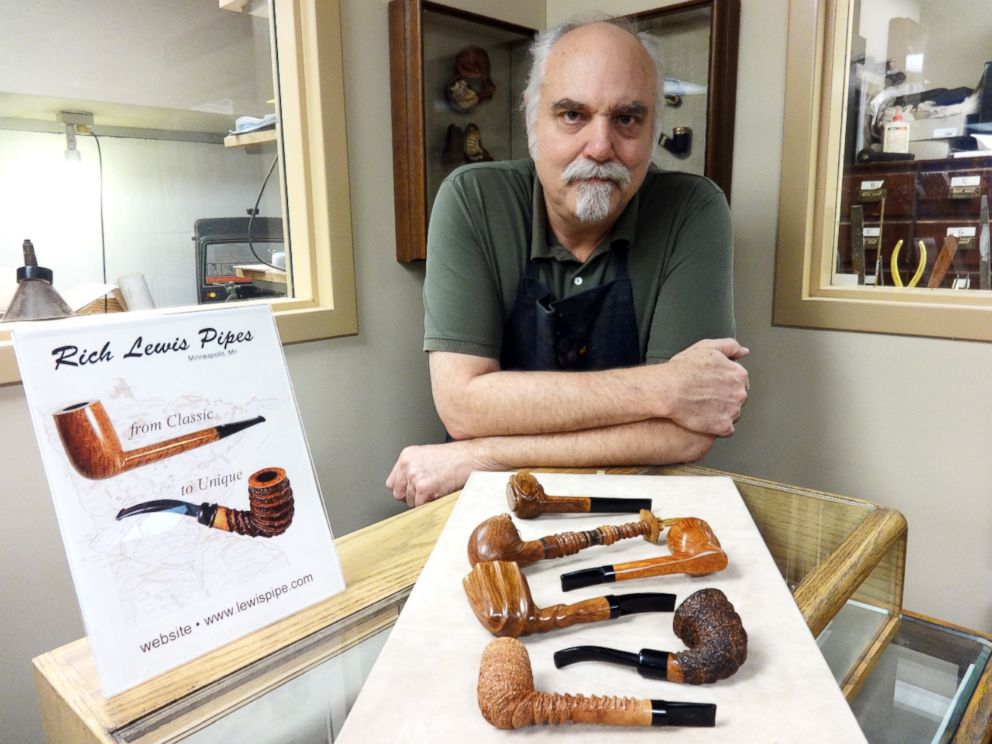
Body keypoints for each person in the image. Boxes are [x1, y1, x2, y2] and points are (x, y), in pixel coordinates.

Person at [387, 17, 749, 507]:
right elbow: (462, 408)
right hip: (488, 502)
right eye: (573, 115)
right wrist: (665, 387)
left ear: (652, 129)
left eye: (627, 119)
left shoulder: (693, 209)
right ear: (532, 120)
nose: (600, 148)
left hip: (633, 503)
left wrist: (484, 454)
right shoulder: (472, 198)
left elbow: (687, 436)